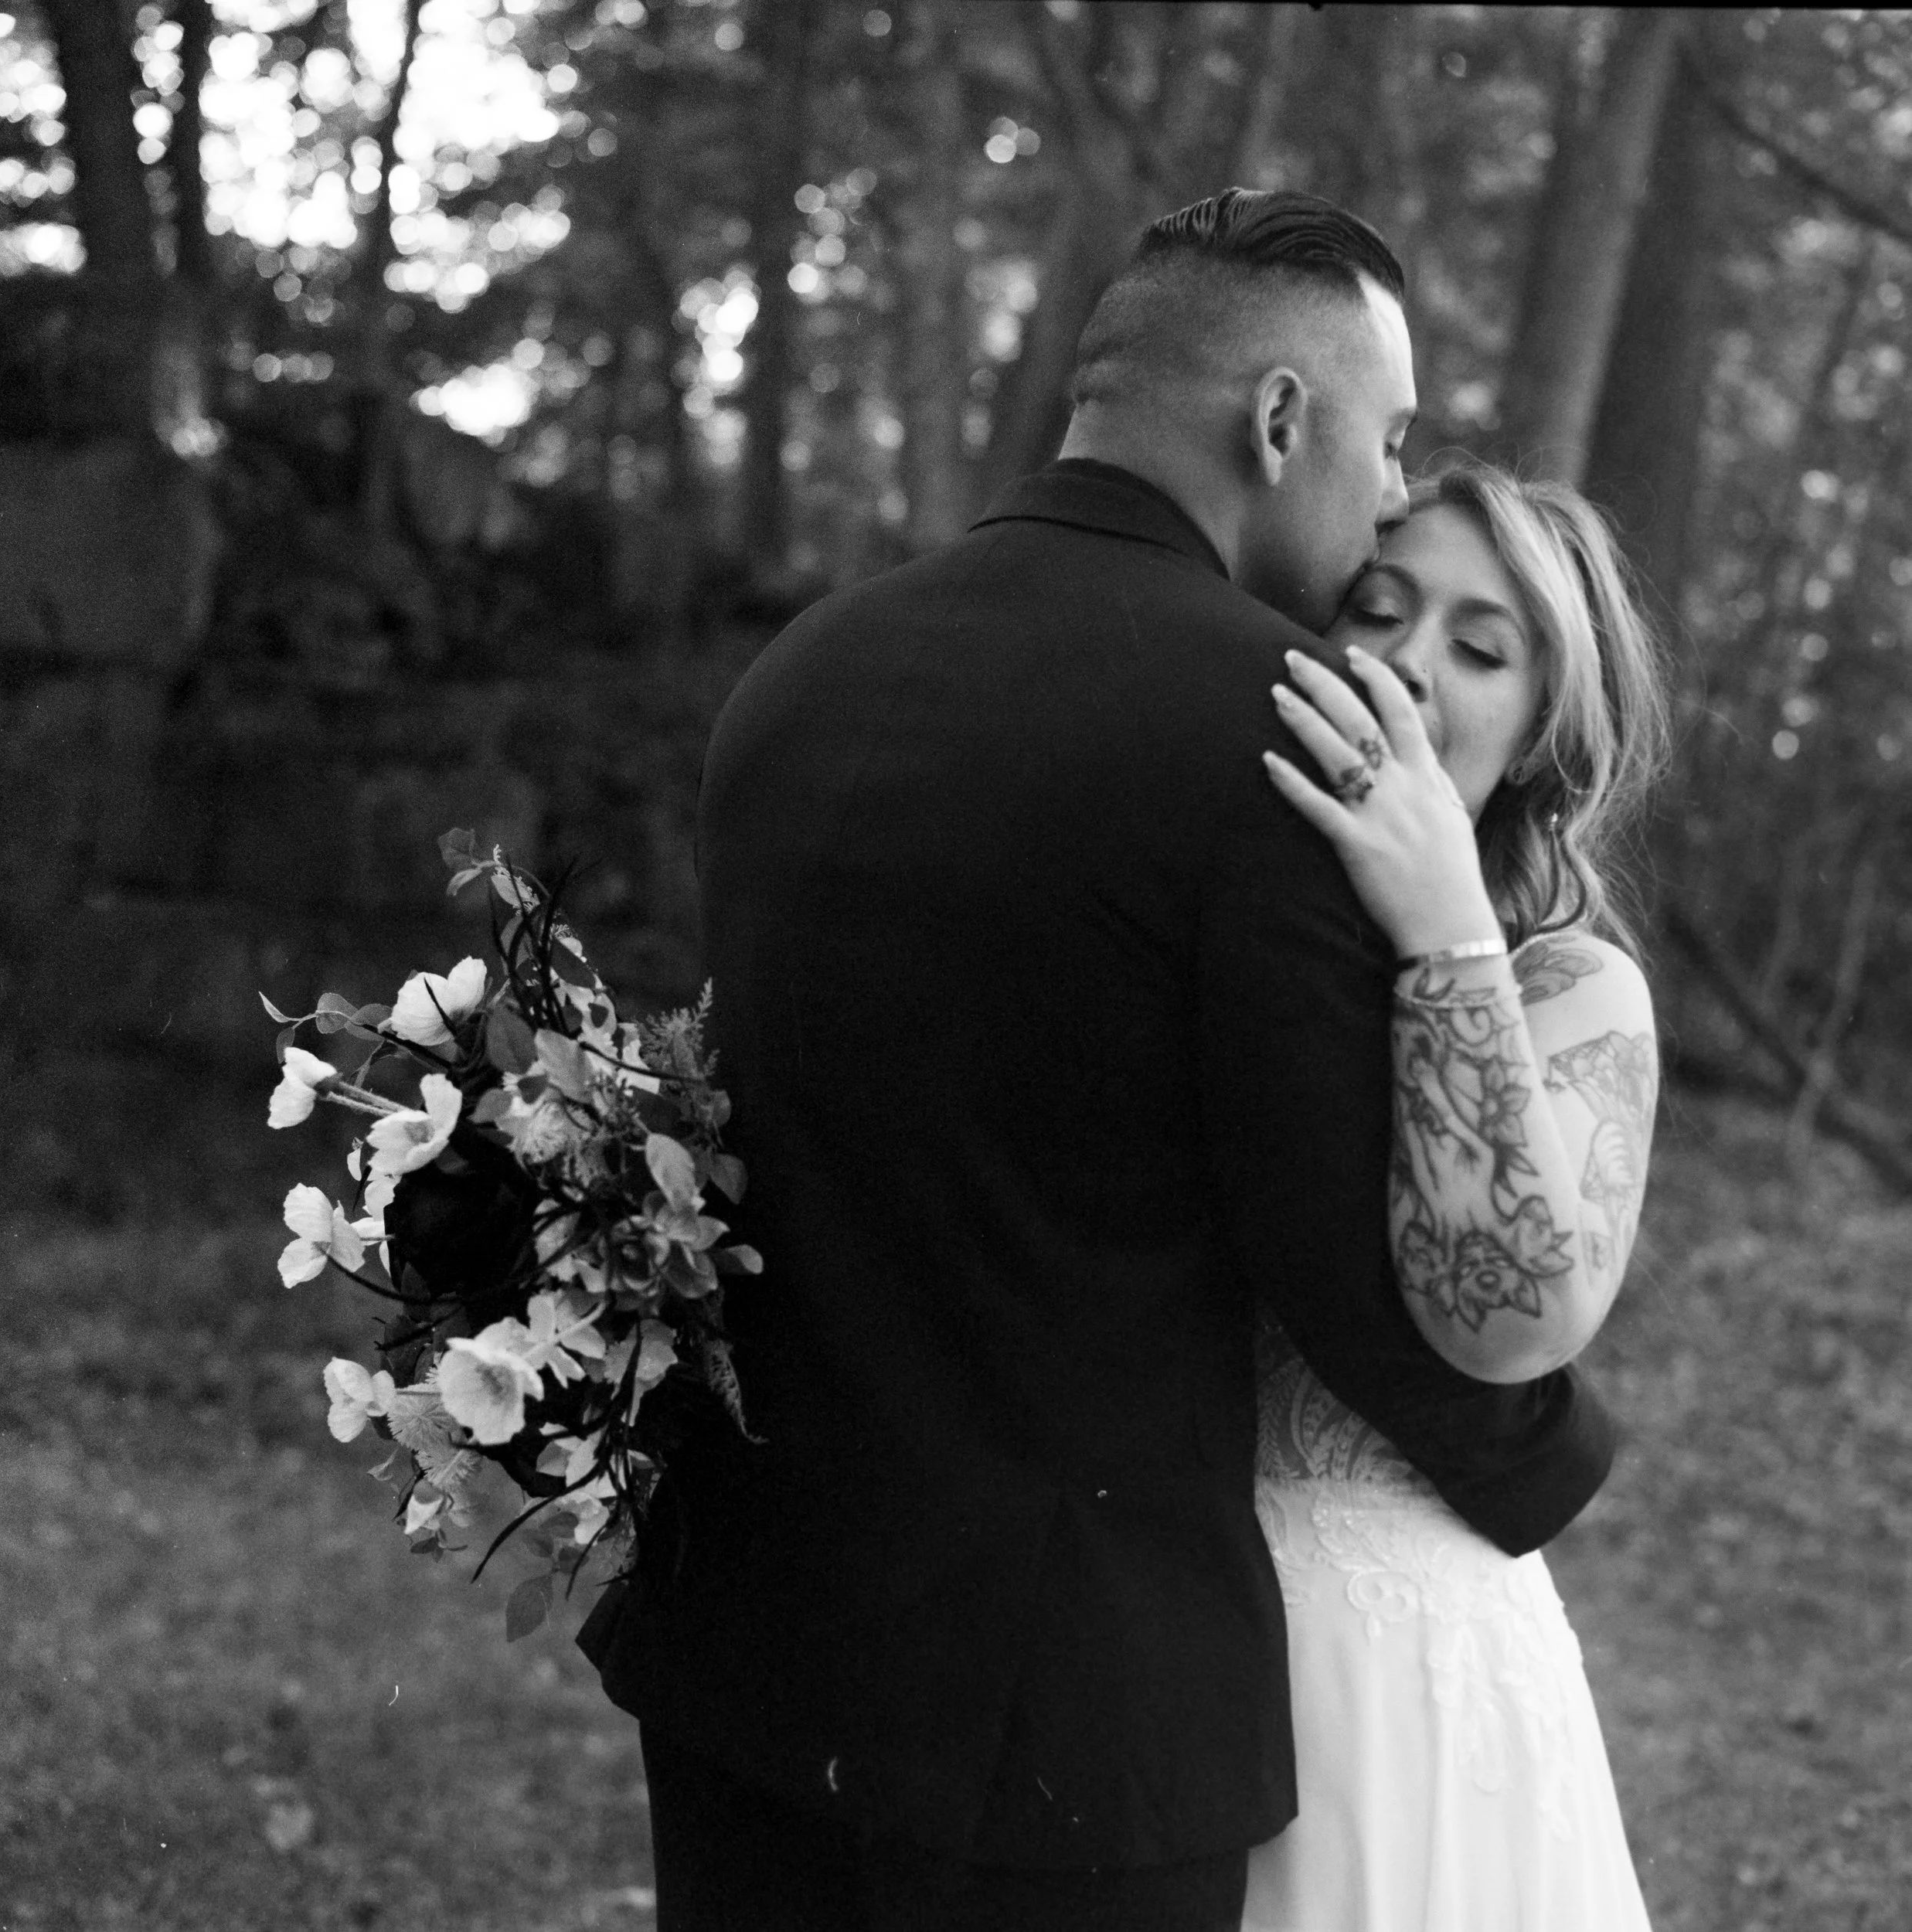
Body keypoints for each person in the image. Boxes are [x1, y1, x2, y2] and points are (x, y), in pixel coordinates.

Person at [577, 189, 1618, 1932]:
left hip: (742, 1643)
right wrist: (1542, 1454)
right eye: (1382, 440)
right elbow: (1339, 1248)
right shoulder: (1278, 733)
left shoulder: (806, 670)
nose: (1387, 491)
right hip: (1051, 1714)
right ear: (1278, 418)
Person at [1246, 461, 1669, 1928]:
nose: (1412, 664)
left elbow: (1509, 1322)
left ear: (1543, 736)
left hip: (1401, 1672)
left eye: (1481, 649)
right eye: (1379, 608)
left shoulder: (1575, 990)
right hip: (1153, 1637)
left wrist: (1441, 922)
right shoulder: (1213, 918)